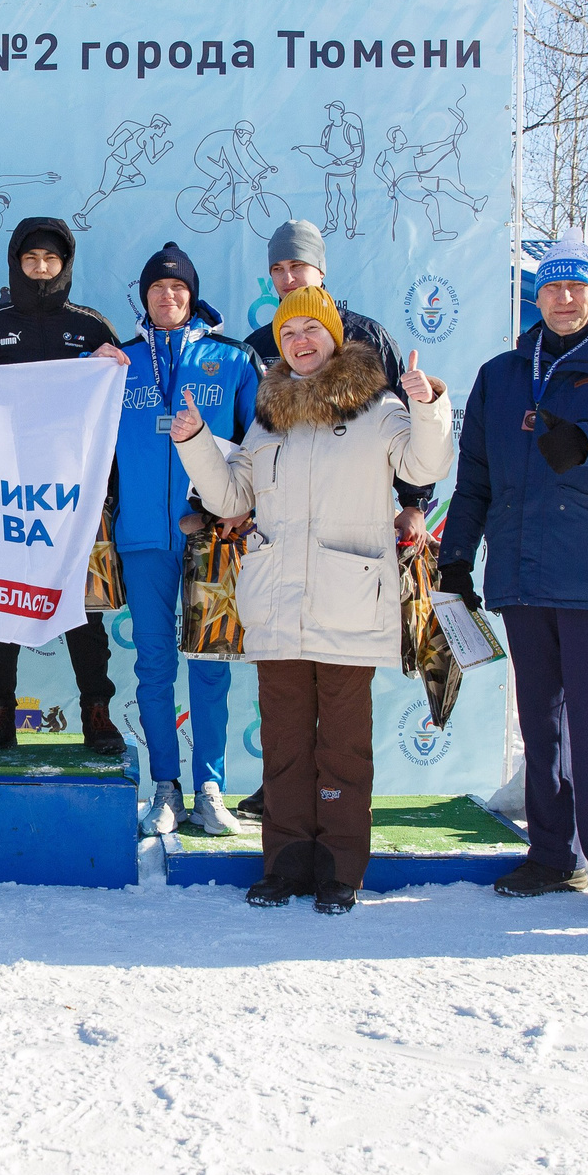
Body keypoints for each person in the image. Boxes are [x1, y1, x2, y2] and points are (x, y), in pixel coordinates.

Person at [172, 287, 454, 914]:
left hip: (349, 602)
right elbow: (232, 498)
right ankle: (285, 864)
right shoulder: (269, 417)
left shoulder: (380, 409)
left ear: (334, 337)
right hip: (277, 606)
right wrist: (195, 443)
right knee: (286, 745)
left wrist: (427, 405)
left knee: (344, 747)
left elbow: (425, 459)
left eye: (312, 330)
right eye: (289, 331)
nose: (301, 341)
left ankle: (339, 869)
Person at [439, 243, 588, 917]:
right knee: (541, 726)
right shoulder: (503, 373)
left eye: (579, 287)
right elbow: (478, 476)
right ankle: (552, 854)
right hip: (522, 574)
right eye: (553, 288)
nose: (566, 299)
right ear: (538, 298)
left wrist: (587, 441)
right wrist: (456, 554)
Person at [238, 218, 435, 822]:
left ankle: (338, 818)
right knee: (287, 688)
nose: (287, 277)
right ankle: (287, 800)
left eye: (297, 266)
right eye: (277, 269)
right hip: (281, 536)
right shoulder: (257, 341)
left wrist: (414, 502)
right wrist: (238, 502)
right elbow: (249, 429)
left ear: (321, 271)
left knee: (343, 693)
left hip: (351, 532)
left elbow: (403, 425)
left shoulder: (365, 332)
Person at [0, 216, 126, 759]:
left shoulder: (91, 325)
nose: (40, 268)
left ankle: (95, 709)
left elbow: (116, 410)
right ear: (15, 262)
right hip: (3, 491)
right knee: (0, 601)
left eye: (50, 259)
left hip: (72, 495)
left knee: (81, 607)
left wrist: (112, 364)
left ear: (65, 265)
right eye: (30, 259)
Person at [110, 243, 260, 836]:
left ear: (192, 296)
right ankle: (165, 788)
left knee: (211, 664)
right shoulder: (118, 362)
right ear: (144, 298)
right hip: (144, 536)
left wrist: (240, 515)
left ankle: (211, 788)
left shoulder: (235, 358)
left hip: (214, 538)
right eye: (157, 289)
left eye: (178, 289)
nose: (168, 297)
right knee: (153, 665)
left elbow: (257, 445)